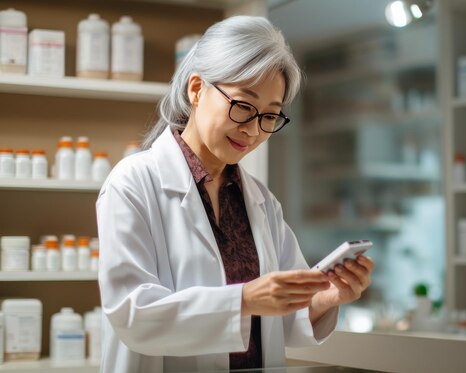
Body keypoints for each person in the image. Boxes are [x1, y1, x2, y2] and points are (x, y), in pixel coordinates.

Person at [96, 15, 375, 372]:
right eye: (243, 106)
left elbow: (282, 317)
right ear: (196, 89)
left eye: (270, 117)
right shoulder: (133, 182)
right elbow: (131, 314)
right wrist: (243, 300)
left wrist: (326, 298)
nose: (253, 131)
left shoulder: (260, 201)